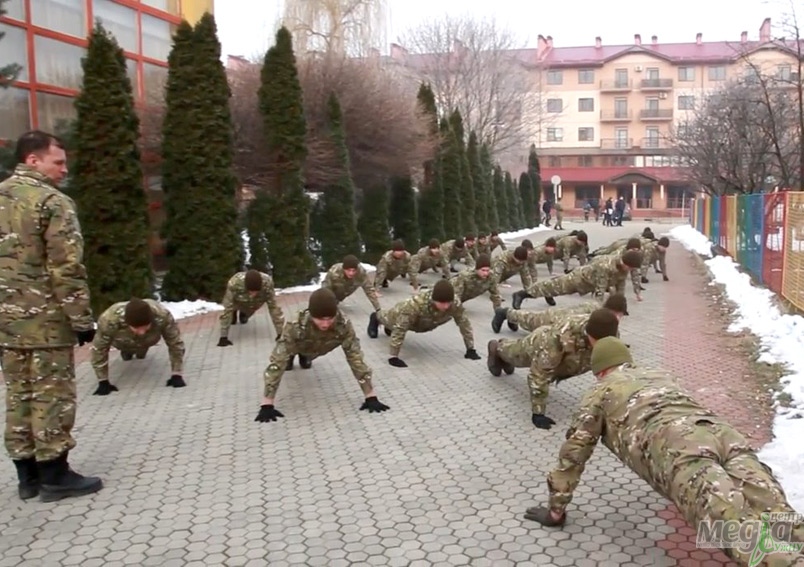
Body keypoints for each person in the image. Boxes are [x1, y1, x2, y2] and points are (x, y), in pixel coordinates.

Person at [525, 337, 804, 567]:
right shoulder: (659, 374)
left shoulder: (599, 394)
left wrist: (556, 510)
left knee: (733, 529)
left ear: (598, 372)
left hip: (682, 453)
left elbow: (573, 456)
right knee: (777, 512)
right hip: (724, 436)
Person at [0, 130, 102, 502]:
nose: (64, 169)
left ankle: (26, 477)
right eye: (57, 162)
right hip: (45, 321)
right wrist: (81, 319)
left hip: (6, 324)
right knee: (51, 396)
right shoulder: (51, 202)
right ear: (33, 160)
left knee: (19, 395)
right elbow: (66, 267)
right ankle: (55, 475)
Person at [255, 288, 389, 422]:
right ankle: (294, 356)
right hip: (297, 346)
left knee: (307, 362)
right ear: (311, 314)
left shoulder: (343, 325)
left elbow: (356, 358)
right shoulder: (295, 325)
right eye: (320, 319)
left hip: (317, 349)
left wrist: (370, 395)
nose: (325, 324)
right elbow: (277, 363)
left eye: (330, 319)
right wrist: (267, 403)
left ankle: (305, 357)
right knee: (285, 362)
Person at [486, 308, 622, 429]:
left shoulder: (610, 333)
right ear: (589, 335)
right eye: (597, 342)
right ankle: (497, 348)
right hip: (538, 344)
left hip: (568, 360)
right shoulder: (557, 339)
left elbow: (613, 369)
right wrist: (538, 412)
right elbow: (539, 374)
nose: (601, 346)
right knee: (514, 355)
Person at [367, 279, 479, 367]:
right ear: (433, 300)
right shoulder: (414, 305)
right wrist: (393, 356)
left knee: (460, 317)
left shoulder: (455, 303)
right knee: (390, 321)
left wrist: (470, 349)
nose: (445, 306)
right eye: (442, 303)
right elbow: (401, 329)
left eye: (448, 303)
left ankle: (389, 328)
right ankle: (376, 317)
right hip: (399, 315)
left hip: (424, 323)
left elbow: (464, 323)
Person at [91, 298, 186, 393]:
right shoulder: (109, 319)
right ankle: (127, 350)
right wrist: (103, 381)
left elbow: (175, 342)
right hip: (121, 340)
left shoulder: (162, 315)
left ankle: (141, 349)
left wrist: (176, 374)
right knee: (126, 343)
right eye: (136, 328)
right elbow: (99, 349)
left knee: (142, 348)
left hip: (149, 339)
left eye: (145, 327)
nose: (141, 332)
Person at [512, 250, 644, 309]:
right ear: (625, 263)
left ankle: (548, 294)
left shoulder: (623, 268)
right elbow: (600, 289)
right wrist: (596, 310)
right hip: (579, 279)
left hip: (587, 285)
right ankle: (522, 294)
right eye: (631, 268)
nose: (631, 271)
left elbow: (620, 286)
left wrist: (621, 306)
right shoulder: (606, 266)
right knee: (553, 286)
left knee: (554, 288)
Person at [492, 293, 628, 334]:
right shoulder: (596, 315)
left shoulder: (602, 314)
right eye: (617, 314)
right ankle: (504, 313)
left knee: (526, 318)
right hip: (552, 319)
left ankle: (512, 317)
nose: (618, 318)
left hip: (562, 318)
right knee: (529, 320)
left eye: (620, 315)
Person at [217, 269, 285, 346]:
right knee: (231, 315)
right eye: (251, 291)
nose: (253, 294)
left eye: (256, 292)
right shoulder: (234, 283)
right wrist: (223, 337)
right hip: (237, 300)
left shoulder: (267, 283)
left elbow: (274, 308)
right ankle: (234, 312)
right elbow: (227, 309)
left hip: (253, 303)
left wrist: (280, 334)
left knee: (251, 308)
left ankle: (244, 312)